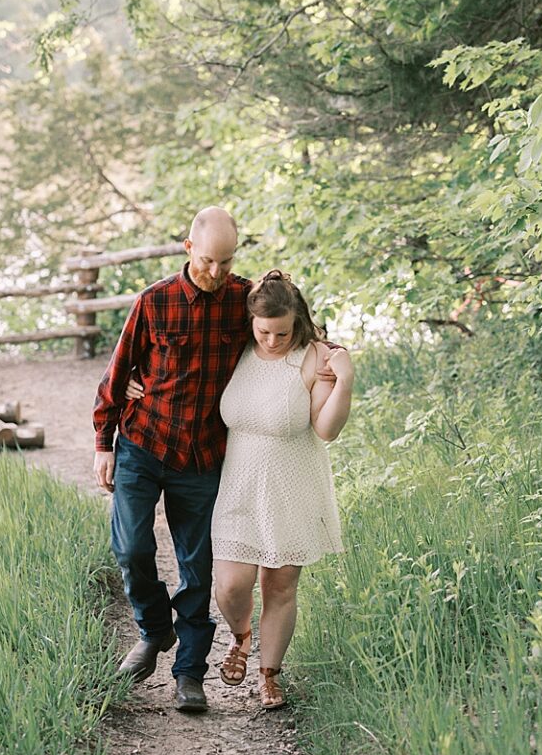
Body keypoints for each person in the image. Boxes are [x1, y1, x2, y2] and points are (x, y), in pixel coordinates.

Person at [93, 207, 251, 714]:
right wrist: (102, 442)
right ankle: (154, 629)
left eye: (227, 262)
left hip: (204, 455)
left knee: (197, 568)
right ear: (188, 249)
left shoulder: (243, 300)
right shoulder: (155, 302)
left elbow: (288, 329)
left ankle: (189, 673)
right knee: (133, 548)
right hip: (143, 443)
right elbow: (118, 373)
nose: (218, 272)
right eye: (209, 261)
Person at [210, 269, 353, 709]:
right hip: (239, 487)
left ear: (299, 321)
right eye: (265, 331)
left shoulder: (313, 357)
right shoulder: (236, 351)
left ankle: (270, 673)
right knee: (230, 586)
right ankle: (241, 635)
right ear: (252, 322)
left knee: (280, 586)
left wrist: (344, 381)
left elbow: (326, 429)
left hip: (292, 485)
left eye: (283, 332)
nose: (273, 341)